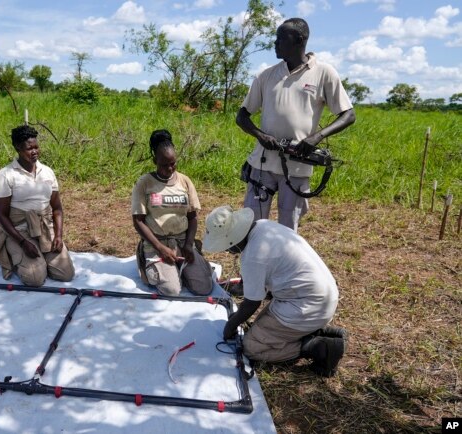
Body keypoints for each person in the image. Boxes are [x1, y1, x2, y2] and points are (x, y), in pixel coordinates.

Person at [236, 17, 355, 231]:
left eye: (281, 38)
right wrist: (261, 136)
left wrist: (316, 137)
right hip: (262, 163)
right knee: (252, 225)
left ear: (299, 40)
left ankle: (282, 264)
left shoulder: (324, 73)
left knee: (288, 229)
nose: (275, 43)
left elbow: (348, 115)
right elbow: (242, 116)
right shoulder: (267, 75)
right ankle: (254, 262)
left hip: (298, 166)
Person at [203, 205, 347, 377]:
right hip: (322, 296)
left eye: (226, 246)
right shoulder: (263, 226)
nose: (227, 251)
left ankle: (319, 348)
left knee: (252, 346)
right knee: (260, 327)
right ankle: (320, 332)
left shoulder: (253, 257)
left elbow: (252, 303)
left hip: (307, 306)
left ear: (233, 238)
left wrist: (231, 326)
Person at [131, 129, 213, 296]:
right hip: (157, 243)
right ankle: (147, 262)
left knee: (203, 288)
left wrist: (189, 245)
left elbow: (192, 216)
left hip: (182, 241)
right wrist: (160, 248)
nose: (170, 168)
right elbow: (138, 221)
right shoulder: (144, 183)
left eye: (173, 163)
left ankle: (182, 266)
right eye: (164, 164)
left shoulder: (184, 181)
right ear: (155, 160)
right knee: (172, 290)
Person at [0, 125, 75, 286]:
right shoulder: (6, 175)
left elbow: (57, 208)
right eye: (29, 148)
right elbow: (0, 215)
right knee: (35, 279)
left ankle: (42, 256)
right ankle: (14, 254)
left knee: (66, 274)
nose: (34, 151)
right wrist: (23, 242)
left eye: (36, 147)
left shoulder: (47, 172)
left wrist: (58, 235)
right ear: (17, 148)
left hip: (44, 228)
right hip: (20, 230)